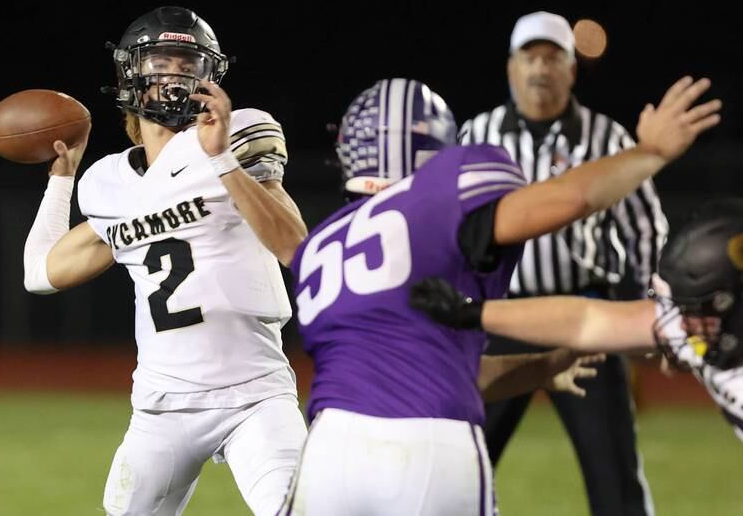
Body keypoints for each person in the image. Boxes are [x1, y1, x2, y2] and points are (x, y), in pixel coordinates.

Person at [278, 75, 720, 515]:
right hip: (431, 446)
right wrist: (650, 152)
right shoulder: (442, 194)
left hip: (328, 450)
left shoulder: (321, 244)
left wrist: (543, 366)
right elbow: (571, 197)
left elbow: (431, 370)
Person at [22, 6, 308, 516]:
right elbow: (40, 273)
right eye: (160, 61)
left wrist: (222, 160)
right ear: (131, 75)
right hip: (161, 407)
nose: (175, 73)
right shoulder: (108, 183)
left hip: (255, 396)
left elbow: (296, 247)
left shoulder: (239, 133)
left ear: (210, 74)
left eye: (187, 61)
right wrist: (61, 178)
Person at [458, 10, 670, 515]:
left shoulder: (607, 138)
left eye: (552, 58)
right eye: (529, 57)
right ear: (511, 67)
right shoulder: (477, 135)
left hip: (586, 321)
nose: (539, 70)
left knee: (614, 473)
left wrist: (648, 306)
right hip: (500, 319)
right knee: (459, 465)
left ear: (571, 69)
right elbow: (449, 226)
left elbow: (643, 226)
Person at [411, 197, 743, 442]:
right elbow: (586, 321)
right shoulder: (710, 327)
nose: (683, 325)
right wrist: (473, 312)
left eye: (699, 311)